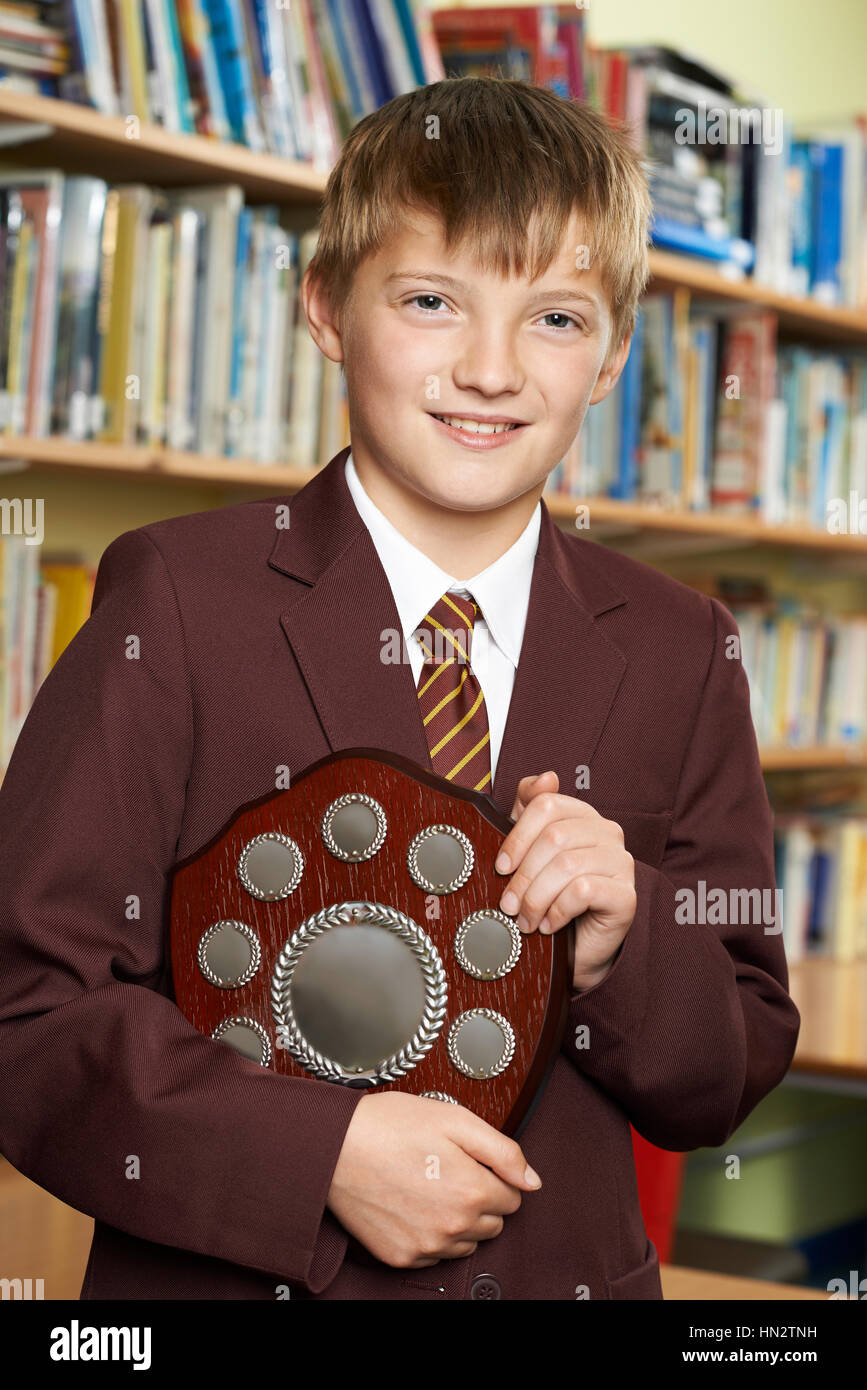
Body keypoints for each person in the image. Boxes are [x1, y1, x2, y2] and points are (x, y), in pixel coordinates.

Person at [0, 77, 800, 1301]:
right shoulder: (177, 599)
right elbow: (26, 1014)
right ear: (325, 308)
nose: (491, 370)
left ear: (613, 357)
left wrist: (625, 940)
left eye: (556, 319)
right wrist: (317, 1153)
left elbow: (734, 1058)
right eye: (433, 302)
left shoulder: (685, 647)